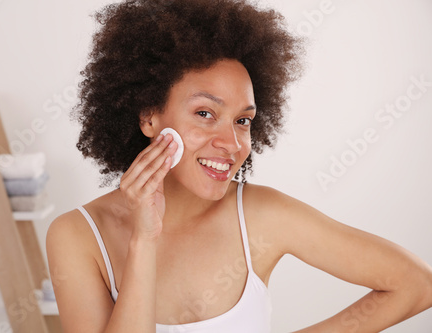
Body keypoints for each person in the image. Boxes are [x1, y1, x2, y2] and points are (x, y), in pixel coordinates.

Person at [46, 0, 432, 332]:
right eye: (204, 113)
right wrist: (144, 240)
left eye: (242, 121)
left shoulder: (263, 216)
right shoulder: (78, 236)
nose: (231, 143)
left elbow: (416, 284)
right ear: (149, 117)